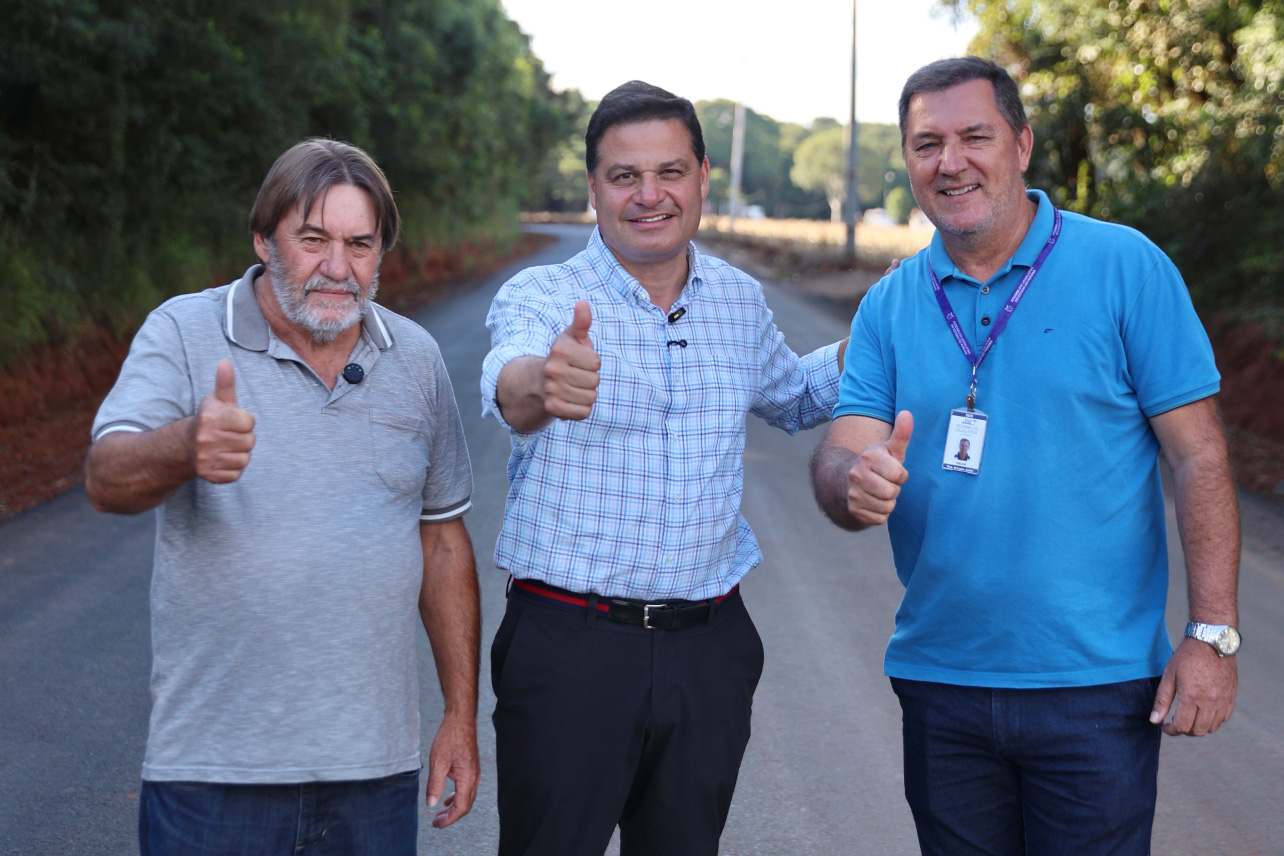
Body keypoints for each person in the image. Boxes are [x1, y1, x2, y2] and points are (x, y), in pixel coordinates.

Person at [810, 57, 1240, 855]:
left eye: (975, 136)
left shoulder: (1126, 268)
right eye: (927, 143)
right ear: (907, 161)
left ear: (1021, 145)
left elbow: (1200, 459)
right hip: (941, 682)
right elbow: (841, 456)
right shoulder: (890, 304)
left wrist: (1211, 635)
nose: (951, 161)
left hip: (1096, 687)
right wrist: (852, 482)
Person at [480, 80, 847, 856]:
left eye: (670, 172)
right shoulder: (545, 295)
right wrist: (545, 384)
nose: (650, 195)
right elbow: (511, 387)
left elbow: (793, 396)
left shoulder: (739, 301)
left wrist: (884, 340)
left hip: (708, 650)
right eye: (624, 176)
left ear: (703, 177)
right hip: (570, 650)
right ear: (594, 188)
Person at [85, 138, 480, 856]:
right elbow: (105, 479)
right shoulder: (184, 331)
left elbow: (443, 542)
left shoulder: (416, 360)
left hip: (375, 779)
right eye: (313, 239)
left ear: (382, 252)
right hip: (213, 778)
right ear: (264, 239)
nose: (338, 267)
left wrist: (459, 716)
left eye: (360, 244)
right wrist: (185, 445)